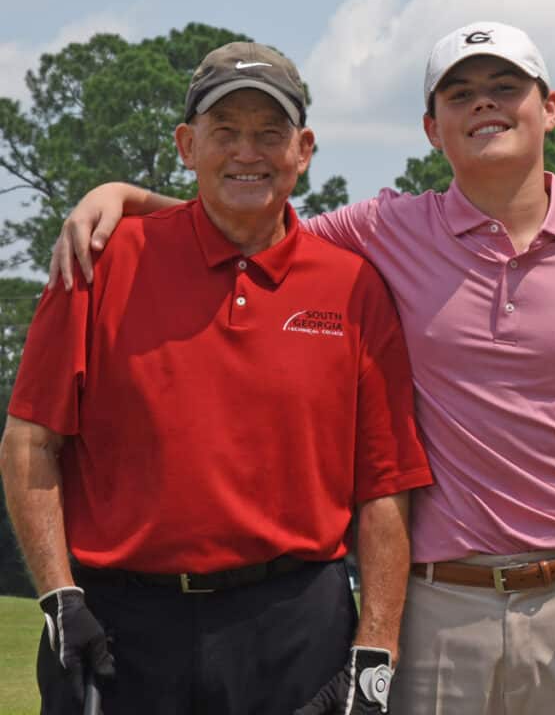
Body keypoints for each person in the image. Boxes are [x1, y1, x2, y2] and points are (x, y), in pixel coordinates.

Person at [47, 22, 555, 714]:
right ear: (432, 127)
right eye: (461, 94)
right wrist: (124, 199)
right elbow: (248, 214)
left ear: (549, 107)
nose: (484, 104)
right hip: (441, 602)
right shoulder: (384, 229)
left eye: (505, 88)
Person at [0, 41, 433, 715]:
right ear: (186, 144)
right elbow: (31, 441)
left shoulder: (352, 286)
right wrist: (59, 593)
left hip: (294, 624)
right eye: (224, 132)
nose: (247, 153)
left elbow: (384, 485)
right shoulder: (101, 262)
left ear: (304, 150)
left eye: (269, 134)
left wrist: (376, 647)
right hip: (119, 626)